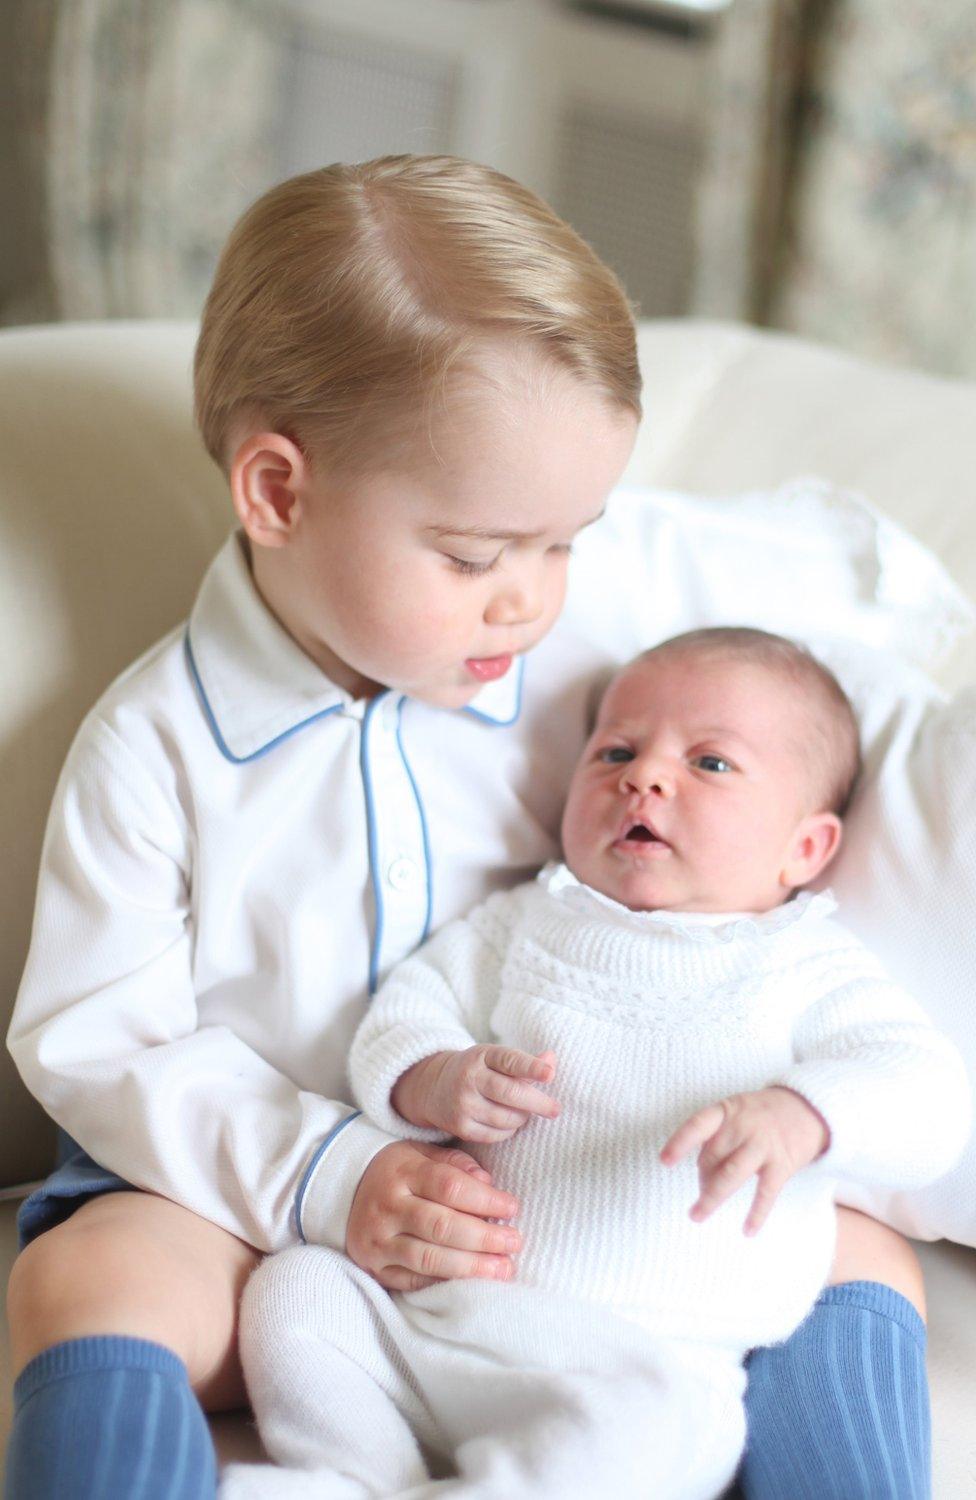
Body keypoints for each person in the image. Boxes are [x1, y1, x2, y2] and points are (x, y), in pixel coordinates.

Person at [1, 157, 941, 1500]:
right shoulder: (156, 749)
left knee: (856, 1251)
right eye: (476, 555)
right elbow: (100, 1043)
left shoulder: (589, 652)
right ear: (279, 493)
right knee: (84, 1278)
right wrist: (329, 1173)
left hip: (553, 1203)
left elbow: (826, 598)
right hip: (237, 1193)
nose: (532, 602)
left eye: (565, 543)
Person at [221, 629, 969, 1499]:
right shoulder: (524, 922)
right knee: (297, 1291)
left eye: (712, 764)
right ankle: (348, 1471)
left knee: (662, 1428)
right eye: (615, 750)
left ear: (803, 848)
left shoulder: (804, 965)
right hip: (444, 1325)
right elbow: (403, 1014)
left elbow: (929, 1096)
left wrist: (805, 1114)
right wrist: (433, 1076)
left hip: (649, 1360)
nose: (644, 775)